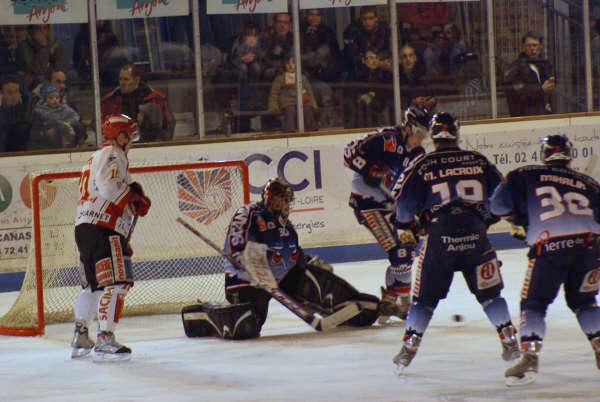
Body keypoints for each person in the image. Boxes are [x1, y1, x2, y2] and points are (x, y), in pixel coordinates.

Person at [392, 112, 520, 370]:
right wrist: (490, 220)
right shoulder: (478, 159)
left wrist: (406, 226)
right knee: (491, 295)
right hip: (476, 234)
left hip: (439, 235)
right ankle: (509, 340)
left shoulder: (424, 163)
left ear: (434, 134)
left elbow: (404, 205)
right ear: (456, 133)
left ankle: (409, 348)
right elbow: (503, 196)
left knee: (424, 300)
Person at [182, 178, 379, 340]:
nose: (285, 205)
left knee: (312, 280)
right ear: (269, 199)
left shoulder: (287, 226)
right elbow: (237, 243)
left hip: (279, 279)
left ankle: (346, 303)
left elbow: (293, 254)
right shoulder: (249, 213)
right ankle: (204, 315)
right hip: (245, 280)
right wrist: (250, 261)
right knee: (246, 328)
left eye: (287, 200)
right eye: (280, 200)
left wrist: (308, 261)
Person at [490, 134, 600, 385]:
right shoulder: (589, 183)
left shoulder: (525, 173)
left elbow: (496, 206)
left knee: (534, 304)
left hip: (550, 246)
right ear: (569, 156)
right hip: (590, 246)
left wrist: (522, 220)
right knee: (585, 302)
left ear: (544, 154)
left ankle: (530, 353)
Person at [71, 114, 151, 362]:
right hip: (104, 228)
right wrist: (133, 198)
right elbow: (109, 186)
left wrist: (130, 200)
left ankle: (81, 336)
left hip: (84, 228)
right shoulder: (114, 153)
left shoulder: (93, 157)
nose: (131, 141)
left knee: (92, 286)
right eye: (129, 135)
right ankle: (105, 338)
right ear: (120, 135)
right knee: (117, 282)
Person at [344, 105, 432, 323]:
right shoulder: (386, 139)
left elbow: (414, 186)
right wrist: (368, 169)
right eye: (419, 133)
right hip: (367, 204)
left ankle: (391, 300)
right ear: (409, 127)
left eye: (424, 135)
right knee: (400, 252)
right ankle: (398, 300)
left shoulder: (417, 154)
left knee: (410, 247)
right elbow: (349, 153)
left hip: (391, 205)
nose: (421, 139)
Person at [101, 63, 174, 142]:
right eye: (120, 79)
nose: (122, 83)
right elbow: (98, 125)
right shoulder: (110, 100)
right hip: (118, 146)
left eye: (126, 79)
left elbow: (169, 125)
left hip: (149, 146)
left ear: (136, 80)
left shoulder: (156, 99)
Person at [503, 32, 555, 117]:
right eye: (529, 45)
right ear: (523, 47)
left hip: (546, 114)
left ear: (540, 46)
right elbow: (515, 93)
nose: (532, 48)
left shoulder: (545, 65)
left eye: (535, 45)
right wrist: (540, 90)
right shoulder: (515, 68)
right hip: (525, 117)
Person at [268, 55, 318, 132]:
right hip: (287, 101)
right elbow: (274, 93)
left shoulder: (302, 77)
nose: (291, 66)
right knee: (290, 110)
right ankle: (289, 131)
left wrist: (313, 104)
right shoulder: (280, 78)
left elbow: (309, 91)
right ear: (285, 65)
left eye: (293, 63)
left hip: (302, 101)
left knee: (308, 109)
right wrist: (273, 105)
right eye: (288, 63)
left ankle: (311, 130)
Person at [28, 83, 83, 150]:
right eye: (51, 98)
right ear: (44, 100)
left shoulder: (64, 108)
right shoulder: (40, 111)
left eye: (57, 97)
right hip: (50, 141)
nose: (55, 100)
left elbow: (75, 116)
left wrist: (68, 122)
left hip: (67, 133)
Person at [15, 24, 67, 89]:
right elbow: (37, 70)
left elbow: (61, 67)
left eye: (45, 28)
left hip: (52, 84)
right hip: (32, 87)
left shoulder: (54, 43)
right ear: (31, 31)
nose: (42, 31)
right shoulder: (23, 47)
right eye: (37, 28)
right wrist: (43, 46)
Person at [343, 6, 391, 76]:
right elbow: (350, 53)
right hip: (359, 68)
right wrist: (365, 59)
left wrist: (378, 58)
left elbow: (391, 50)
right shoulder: (351, 30)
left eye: (370, 18)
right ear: (360, 19)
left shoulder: (385, 29)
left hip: (381, 64)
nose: (367, 22)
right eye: (364, 19)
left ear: (376, 18)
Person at [0, 75, 31, 152]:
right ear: (1, 94)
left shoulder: (24, 107)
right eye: (9, 92)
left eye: (16, 91)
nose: (14, 96)